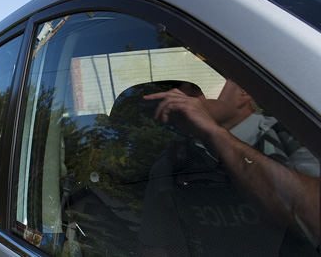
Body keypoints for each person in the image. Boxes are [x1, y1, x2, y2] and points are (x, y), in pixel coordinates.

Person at [137, 80, 320, 256]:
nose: (182, 92)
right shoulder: (174, 162)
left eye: (198, 84)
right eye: (176, 85)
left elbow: (314, 215)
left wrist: (214, 133)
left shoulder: (294, 135)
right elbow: (156, 245)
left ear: (244, 92)